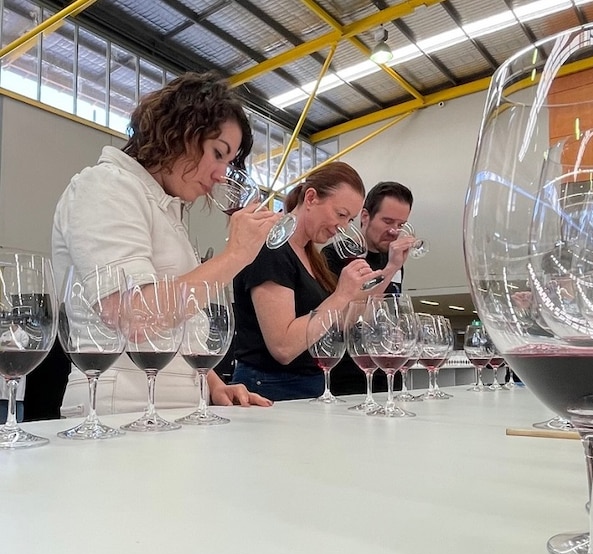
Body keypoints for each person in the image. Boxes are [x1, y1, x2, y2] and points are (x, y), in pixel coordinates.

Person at [52, 71, 281, 416]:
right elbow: (134, 316)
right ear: (180, 133)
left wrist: (210, 382)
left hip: (171, 410)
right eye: (218, 153)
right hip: (120, 412)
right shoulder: (105, 187)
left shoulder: (163, 206)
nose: (222, 174)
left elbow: (176, 324)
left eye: (229, 162)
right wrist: (236, 255)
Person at [231, 162, 383, 401]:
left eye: (350, 220)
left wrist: (357, 293)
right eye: (340, 214)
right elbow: (283, 347)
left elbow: (335, 325)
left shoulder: (310, 255)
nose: (342, 227)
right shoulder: (271, 247)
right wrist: (341, 295)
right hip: (269, 390)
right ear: (311, 198)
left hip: (309, 385)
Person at [322, 181, 416, 396]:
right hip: (349, 376)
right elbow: (345, 320)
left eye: (401, 224)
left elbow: (389, 309)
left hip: (390, 372)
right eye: (387, 221)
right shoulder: (335, 255)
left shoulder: (392, 258)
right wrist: (391, 268)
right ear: (365, 217)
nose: (394, 231)